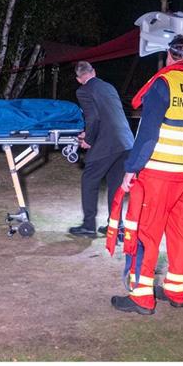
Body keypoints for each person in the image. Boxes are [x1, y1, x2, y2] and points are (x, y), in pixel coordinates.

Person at [111, 34, 183, 315]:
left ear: (170, 56)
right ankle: (176, 290)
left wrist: (131, 168)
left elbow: (148, 133)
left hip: (160, 172)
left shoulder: (164, 82)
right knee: (182, 232)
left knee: (147, 231)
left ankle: (142, 297)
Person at [68, 61, 134, 238]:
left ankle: (89, 226)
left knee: (89, 180)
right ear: (94, 72)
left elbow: (94, 118)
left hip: (108, 143)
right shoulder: (109, 87)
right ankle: (116, 227)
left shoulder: (83, 91)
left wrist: (88, 139)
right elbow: (107, 116)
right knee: (115, 185)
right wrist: (89, 134)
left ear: (78, 79)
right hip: (126, 142)